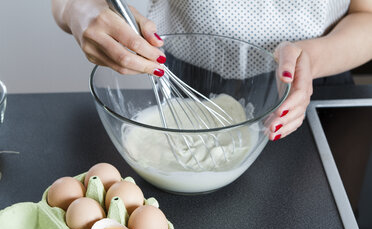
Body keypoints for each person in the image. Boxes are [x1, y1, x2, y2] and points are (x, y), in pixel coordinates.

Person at [52, 0, 372, 141]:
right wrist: (79, 9)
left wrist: (310, 59)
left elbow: (366, 15)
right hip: (184, 83)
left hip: (314, 91)